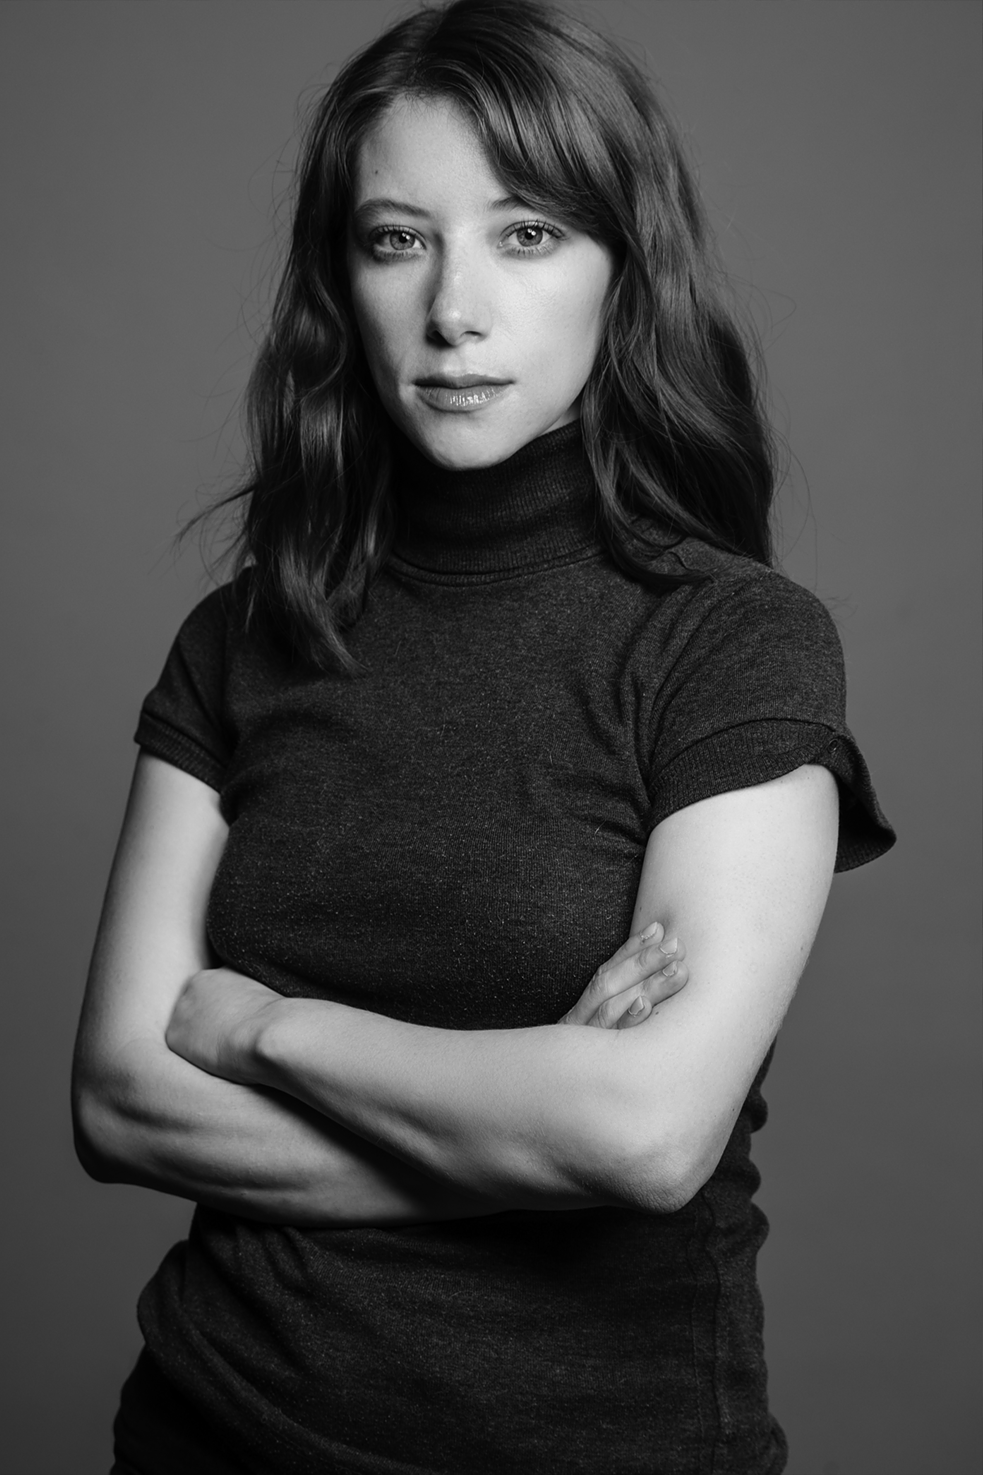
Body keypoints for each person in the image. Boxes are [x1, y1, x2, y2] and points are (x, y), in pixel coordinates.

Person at [72, 2, 895, 1471]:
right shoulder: (244, 636)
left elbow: (644, 1137)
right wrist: (523, 1127)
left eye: (526, 235)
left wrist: (261, 1029)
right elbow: (122, 1103)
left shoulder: (732, 640)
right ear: (341, 279)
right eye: (398, 239)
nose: (454, 308)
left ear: (622, 271)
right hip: (205, 1429)